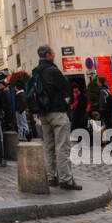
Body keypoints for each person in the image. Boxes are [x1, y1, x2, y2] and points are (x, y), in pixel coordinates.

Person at [28, 46, 82, 190]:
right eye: (53, 53)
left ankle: (51, 177)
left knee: (49, 146)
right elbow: (66, 90)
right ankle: (66, 179)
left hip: (43, 114)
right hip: (57, 112)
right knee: (62, 146)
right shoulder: (53, 70)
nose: (54, 55)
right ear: (48, 55)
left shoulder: (35, 72)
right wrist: (66, 104)